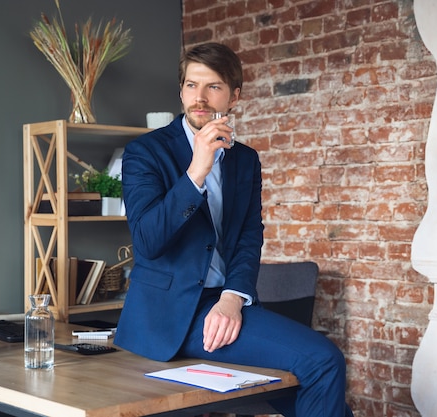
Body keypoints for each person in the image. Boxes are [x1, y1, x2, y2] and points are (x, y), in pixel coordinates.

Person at [114, 42, 353, 417]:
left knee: (322, 379)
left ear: (234, 96)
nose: (200, 98)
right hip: (170, 317)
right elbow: (148, 241)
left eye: (214, 87)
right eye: (191, 85)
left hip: (225, 305)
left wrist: (233, 298)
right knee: (323, 363)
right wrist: (197, 171)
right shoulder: (145, 153)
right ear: (180, 90)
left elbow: (247, 236)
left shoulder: (245, 159)